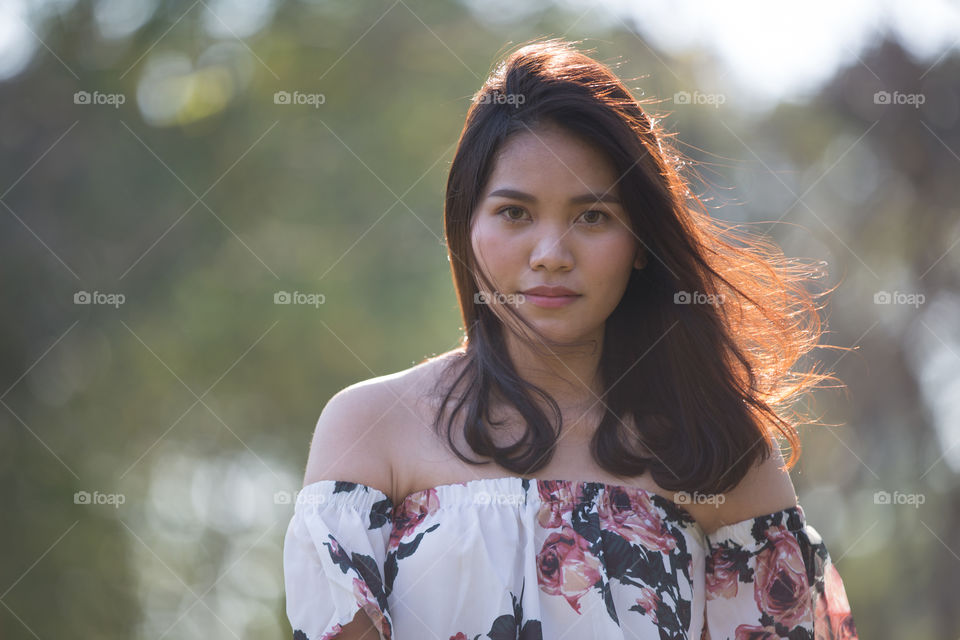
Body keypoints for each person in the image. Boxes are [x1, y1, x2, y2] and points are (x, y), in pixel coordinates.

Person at [283, 38, 859, 640]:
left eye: (593, 217)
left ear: (641, 243)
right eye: (514, 212)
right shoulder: (373, 428)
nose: (552, 255)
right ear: (465, 225)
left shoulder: (717, 449)